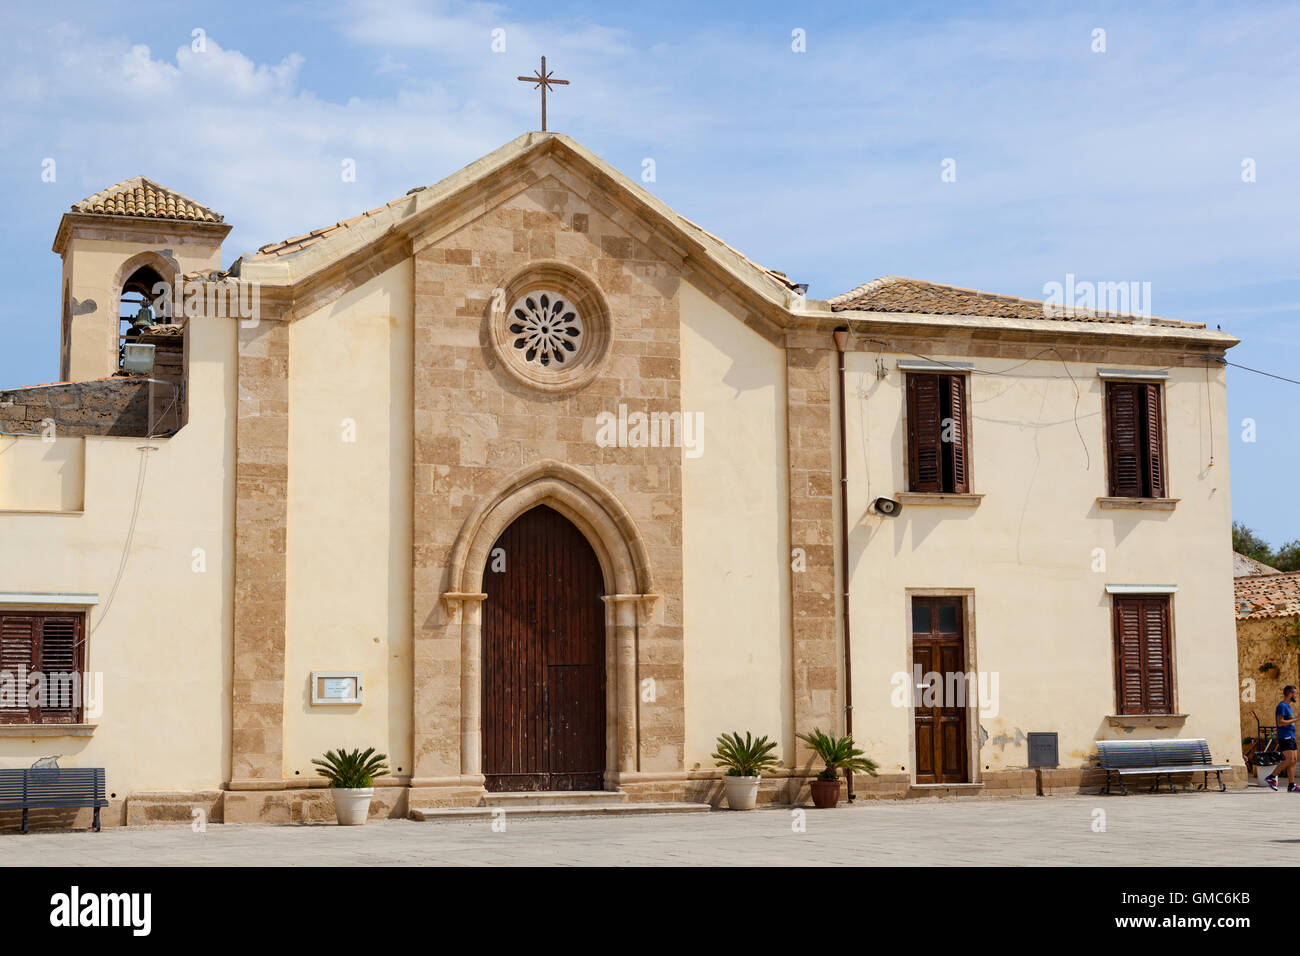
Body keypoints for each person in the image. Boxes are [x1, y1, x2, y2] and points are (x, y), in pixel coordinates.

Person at [1267, 685, 1299, 791]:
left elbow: (1287, 720)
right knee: (1289, 759)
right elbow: (1280, 723)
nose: (1297, 695)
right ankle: (1271, 777)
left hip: (1291, 736)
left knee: (1293, 760)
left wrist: (1295, 718)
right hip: (1285, 737)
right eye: (1295, 693)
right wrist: (1296, 719)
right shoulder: (1281, 706)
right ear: (1290, 694)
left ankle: (1291, 785)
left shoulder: (1288, 706)